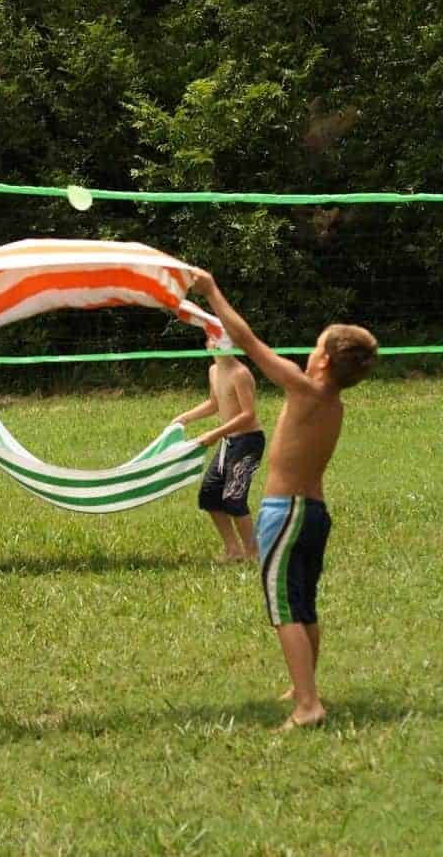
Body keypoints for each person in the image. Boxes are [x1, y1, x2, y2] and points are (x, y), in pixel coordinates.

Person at [189, 269, 377, 730]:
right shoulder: (334, 402)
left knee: (283, 609)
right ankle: (303, 684)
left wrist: (212, 290)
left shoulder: (306, 388)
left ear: (325, 362)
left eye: (316, 345)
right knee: (303, 602)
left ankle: (308, 704)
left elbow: (249, 342)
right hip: (313, 514)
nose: (309, 351)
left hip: (286, 513)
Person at [173, 333, 265, 563]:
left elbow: (248, 415)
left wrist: (215, 433)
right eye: (211, 340)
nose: (214, 344)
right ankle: (233, 551)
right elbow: (214, 403)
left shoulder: (240, 374)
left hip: (248, 442)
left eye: (220, 341)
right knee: (209, 496)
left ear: (232, 344)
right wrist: (185, 417)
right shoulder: (214, 371)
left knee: (234, 499)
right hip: (229, 442)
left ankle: (254, 554)